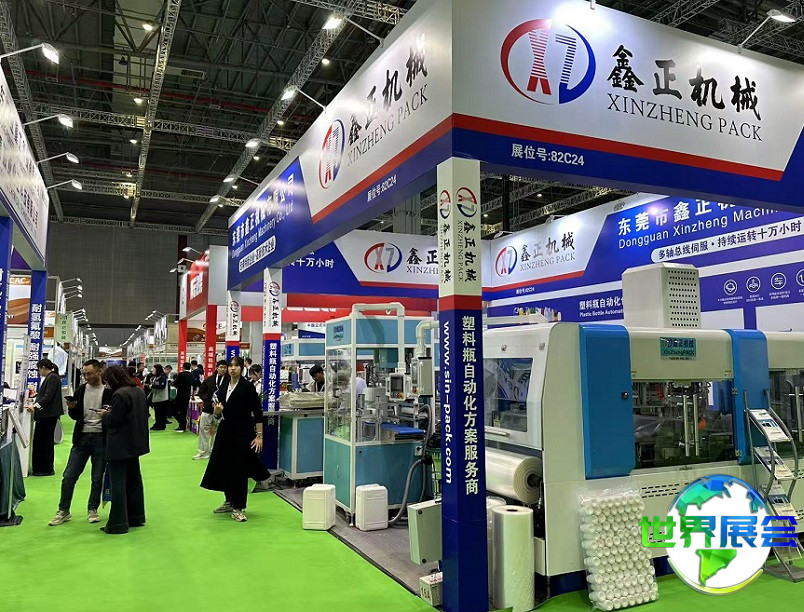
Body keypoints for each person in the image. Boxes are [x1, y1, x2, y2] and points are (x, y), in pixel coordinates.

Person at [201, 356, 271, 522]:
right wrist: (217, 412)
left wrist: (259, 436)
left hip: (243, 433)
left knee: (240, 470)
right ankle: (229, 500)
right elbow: (218, 413)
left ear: (241, 368)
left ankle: (239, 507)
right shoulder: (224, 386)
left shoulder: (247, 387)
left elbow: (258, 413)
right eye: (230, 366)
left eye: (236, 366)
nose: (232, 368)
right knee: (223, 466)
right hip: (225, 431)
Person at [48, 359, 114, 526]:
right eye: (84, 374)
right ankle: (63, 510)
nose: (86, 377)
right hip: (81, 438)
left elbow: (114, 415)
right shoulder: (81, 390)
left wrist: (106, 414)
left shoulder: (109, 391)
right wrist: (72, 407)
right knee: (69, 476)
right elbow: (76, 416)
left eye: (89, 373)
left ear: (99, 371)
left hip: (101, 438)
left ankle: (92, 509)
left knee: (97, 477)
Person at [99, 366, 149, 534]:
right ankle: (136, 516)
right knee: (134, 481)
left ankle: (117, 523)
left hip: (119, 445)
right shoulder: (138, 391)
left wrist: (105, 415)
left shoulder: (119, 394)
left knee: (118, 484)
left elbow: (115, 420)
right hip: (136, 443)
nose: (106, 385)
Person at [26, 359, 63, 476]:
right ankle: (43, 468)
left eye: (38, 369)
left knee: (43, 441)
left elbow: (48, 397)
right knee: (43, 441)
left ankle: (44, 468)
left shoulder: (52, 378)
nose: (39, 372)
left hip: (47, 415)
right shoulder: (52, 377)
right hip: (47, 415)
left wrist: (35, 406)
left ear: (42, 367)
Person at [194, 360, 229, 460]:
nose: (223, 369)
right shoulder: (209, 380)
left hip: (221, 411)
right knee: (203, 431)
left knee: (217, 433)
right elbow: (201, 392)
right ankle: (202, 452)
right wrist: (209, 401)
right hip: (208, 409)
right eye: (221, 367)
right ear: (217, 368)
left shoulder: (229, 381)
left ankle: (214, 452)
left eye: (225, 367)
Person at [172, 362, 194, 433]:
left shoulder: (181, 374)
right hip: (187, 395)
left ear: (183, 367)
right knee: (184, 411)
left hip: (180, 395)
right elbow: (194, 385)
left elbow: (176, 384)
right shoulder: (191, 375)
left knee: (175, 410)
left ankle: (182, 424)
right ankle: (183, 425)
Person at [149, 364, 171, 431]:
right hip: (157, 397)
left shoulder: (162, 376)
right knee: (157, 413)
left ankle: (161, 426)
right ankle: (157, 424)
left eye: (154, 369)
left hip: (162, 398)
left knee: (161, 413)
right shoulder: (156, 377)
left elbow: (162, 386)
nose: (153, 370)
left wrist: (152, 386)